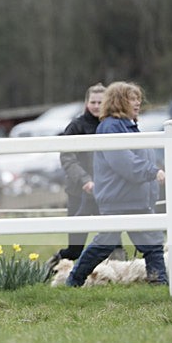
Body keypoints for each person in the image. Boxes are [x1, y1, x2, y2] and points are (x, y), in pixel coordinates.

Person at [65, 81, 167, 287]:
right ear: (119, 101)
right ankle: (74, 280)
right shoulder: (111, 126)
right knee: (109, 243)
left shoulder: (128, 126)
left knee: (149, 243)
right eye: (132, 98)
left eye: (138, 98)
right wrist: (152, 172)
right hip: (121, 199)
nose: (138, 103)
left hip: (133, 200)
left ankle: (159, 284)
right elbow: (124, 162)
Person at [46, 83, 123, 272]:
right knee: (75, 247)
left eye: (101, 101)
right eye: (93, 101)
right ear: (86, 103)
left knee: (114, 240)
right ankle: (50, 270)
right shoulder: (76, 126)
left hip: (107, 193)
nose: (97, 105)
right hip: (79, 193)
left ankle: (119, 273)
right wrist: (85, 180)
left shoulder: (112, 126)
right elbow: (67, 157)